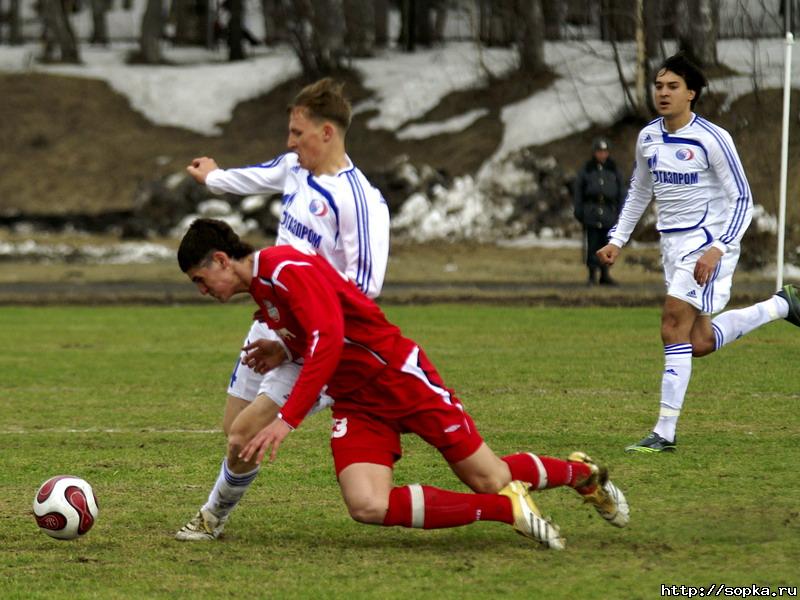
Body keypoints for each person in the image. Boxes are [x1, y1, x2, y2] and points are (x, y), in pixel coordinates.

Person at [177, 218, 631, 550]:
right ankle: (507, 509)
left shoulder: (284, 268)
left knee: (488, 477)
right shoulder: (264, 288)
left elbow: (331, 338)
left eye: (200, 279)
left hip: (398, 379)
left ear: (221, 259)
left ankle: (581, 474)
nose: (201, 290)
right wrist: (285, 352)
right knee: (367, 506)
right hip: (357, 400)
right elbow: (323, 333)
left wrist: (287, 420)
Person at [176, 78, 391, 540]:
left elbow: (364, 287)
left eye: (298, 133)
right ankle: (217, 509)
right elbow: (256, 175)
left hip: (314, 337)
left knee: (244, 435)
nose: (290, 143)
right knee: (232, 427)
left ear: (328, 133)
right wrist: (213, 177)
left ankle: (211, 517)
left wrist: (301, 329)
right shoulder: (296, 168)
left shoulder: (360, 202)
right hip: (272, 318)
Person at [596, 52, 800, 453]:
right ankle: (781, 305)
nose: (663, 93)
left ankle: (663, 433)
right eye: (658, 86)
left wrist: (717, 249)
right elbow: (640, 190)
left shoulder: (713, 138)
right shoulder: (648, 137)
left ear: (691, 93)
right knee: (699, 341)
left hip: (707, 245)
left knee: (672, 326)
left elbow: (743, 199)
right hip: (672, 247)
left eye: (673, 86)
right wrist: (617, 239)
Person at [573, 137, 626, 285]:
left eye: (604, 152)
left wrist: (621, 212)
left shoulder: (614, 169)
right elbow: (578, 192)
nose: (602, 155)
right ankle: (591, 275)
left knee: (606, 243)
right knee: (592, 244)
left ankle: (605, 274)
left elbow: (621, 191)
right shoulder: (587, 170)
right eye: (599, 152)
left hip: (609, 213)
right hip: (591, 212)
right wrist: (579, 211)